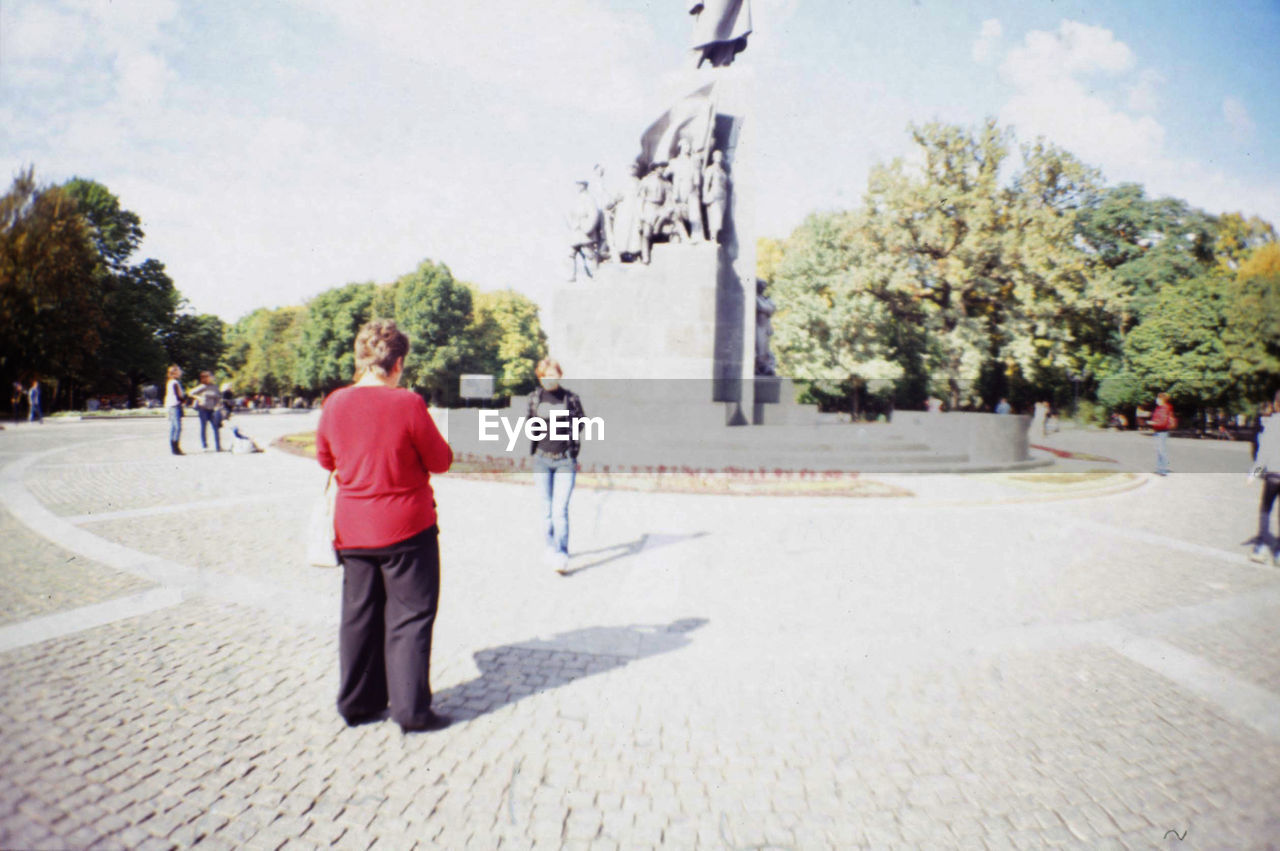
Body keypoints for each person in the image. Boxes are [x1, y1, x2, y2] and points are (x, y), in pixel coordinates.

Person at [315, 319, 453, 733]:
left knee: (359, 616)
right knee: (409, 618)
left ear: (362, 360)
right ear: (397, 364)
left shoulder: (334, 403)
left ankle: (358, 703)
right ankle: (410, 711)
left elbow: (326, 459)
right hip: (406, 528)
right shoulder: (407, 403)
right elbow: (440, 461)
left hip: (353, 528)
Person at [528, 358, 585, 573]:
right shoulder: (535, 397)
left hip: (565, 460)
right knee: (546, 509)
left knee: (559, 509)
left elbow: (581, 422)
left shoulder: (570, 398)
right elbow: (529, 422)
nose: (547, 380)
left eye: (551, 375)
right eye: (543, 376)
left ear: (559, 375)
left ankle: (562, 553)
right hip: (542, 459)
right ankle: (550, 547)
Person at [1249, 391, 1280, 565]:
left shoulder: (1273, 422)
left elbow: (1264, 451)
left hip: (1274, 474)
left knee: (1266, 510)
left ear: (1276, 405)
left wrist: (1254, 473)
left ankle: (1260, 546)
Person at [190, 371, 223, 452]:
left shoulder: (215, 387)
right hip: (203, 409)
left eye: (211, 376)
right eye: (210, 376)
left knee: (216, 427)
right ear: (205, 378)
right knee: (204, 427)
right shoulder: (202, 386)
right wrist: (198, 398)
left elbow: (218, 397)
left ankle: (218, 446)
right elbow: (191, 393)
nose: (212, 377)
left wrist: (218, 405)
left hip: (212, 410)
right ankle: (204, 446)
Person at [1150, 392, 1176, 476]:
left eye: (1158, 398)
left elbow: (1163, 422)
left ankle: (1163, 470)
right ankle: (1160, 469)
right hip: (1158, 431)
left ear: (1162, 400)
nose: (1156, 400)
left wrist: (1153, 423)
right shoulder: (1160, 408)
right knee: (1159, 450)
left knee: (1161, 450)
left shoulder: (1164, 408)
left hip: (1161, 431)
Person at [164, 366, 186, 454]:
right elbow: (178, 396)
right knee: (178, 427)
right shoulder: (174, 382)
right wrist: (185, 401)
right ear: (175, 373)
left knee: (174, 427)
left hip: (171, 406)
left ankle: (173, 447)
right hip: (175, 406)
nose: (180, 372)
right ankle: (176, 448)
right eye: (179, 371)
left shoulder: (170, 382)